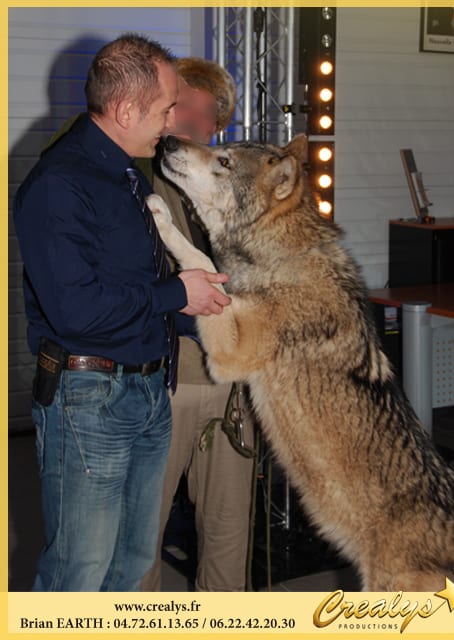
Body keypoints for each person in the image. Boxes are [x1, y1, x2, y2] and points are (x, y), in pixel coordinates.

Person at [13, 34, 230, 592]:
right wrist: (177, 296)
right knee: (78, 574)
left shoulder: (129, 173)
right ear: (127, 109)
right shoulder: (59, 183)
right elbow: (76, 311)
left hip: (148, 392)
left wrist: (210, 313)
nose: (170, 121)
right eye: (164, 110)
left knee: (130, 570)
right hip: (89, 401)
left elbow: (144, 285)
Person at [140, 58, 256, 592]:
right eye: (179, 102)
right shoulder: (134, 170)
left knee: (230, 528)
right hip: (164, 379)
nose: (187, 116)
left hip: (230, 383)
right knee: (142, 533)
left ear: (218, 127)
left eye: (204, 112)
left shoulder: (229, 185)